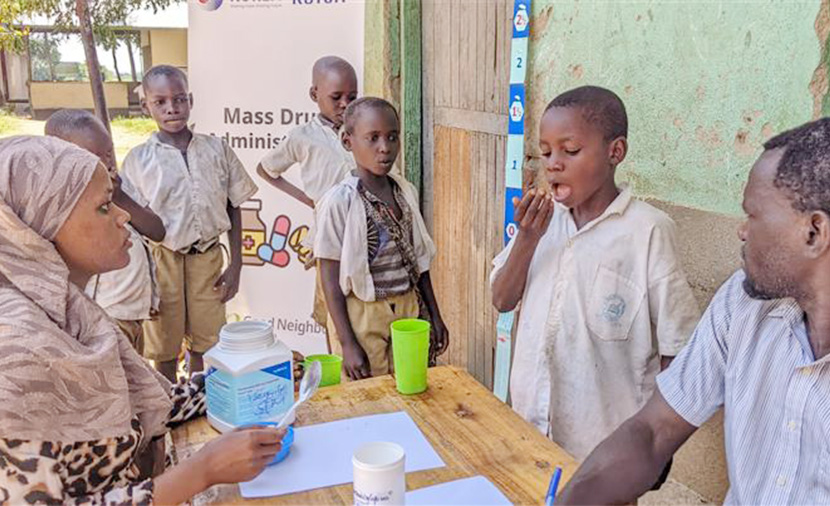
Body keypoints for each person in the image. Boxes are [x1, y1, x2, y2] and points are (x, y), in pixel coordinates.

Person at [557, 117, 830, 504]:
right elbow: (653, 431)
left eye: (753, 214)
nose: (742, 230)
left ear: (814, 232)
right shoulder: (743, 303)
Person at [0, 135, 284, 504]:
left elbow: (151, 407)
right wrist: (201, 471)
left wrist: (247, 377)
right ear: (40, 226)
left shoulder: (72, 316)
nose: (124, 216)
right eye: (104, 207)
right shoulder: (17, 352)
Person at [490, 86, 700, 464]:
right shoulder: (542, 223)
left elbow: (677, 348)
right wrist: (527, 239)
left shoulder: (647, 232)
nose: (554, 163)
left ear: (614, 152)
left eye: (570, 151)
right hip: (530, 429)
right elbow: (502, 299)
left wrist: (657, 448)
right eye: (546, 152)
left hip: (609, 449)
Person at [122, 65, 258, 381]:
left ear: (191, 100)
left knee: (207, 342)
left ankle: (198, 397)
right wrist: (145, 284)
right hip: (162, 262)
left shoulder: (216, 149)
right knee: (164, 346)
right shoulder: (139, 160)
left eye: (179, 99)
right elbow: (131, 225)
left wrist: (236, 264)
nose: (172, 108)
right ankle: (169, 405)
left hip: (208, 259)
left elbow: (234, 206)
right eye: (161, 102)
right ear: (146, 106)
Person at [314, 97, 449, 380]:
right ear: (348, 142)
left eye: (392, 137)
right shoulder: (340, 201)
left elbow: (419, 261)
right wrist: (347, 342)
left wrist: (434, 315)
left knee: (410, 389)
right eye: (372, 138)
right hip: (363, 315)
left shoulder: (405, 192)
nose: (384, 147)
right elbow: (328, 273)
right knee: (368, 399)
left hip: (408, 308)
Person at [45, 108, 163, 354]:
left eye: (109, 153)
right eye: (95, 157)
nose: (108, 163)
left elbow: (157, 230)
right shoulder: (67, 205)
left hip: (134, 311)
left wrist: (118, 195)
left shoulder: (121, 185)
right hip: (105, 315)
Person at [256, 55, 358, 331]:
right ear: (315, 94)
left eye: (352, 96)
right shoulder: (302, 136)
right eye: (336, 96)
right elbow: (266, 169)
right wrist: (306, 198)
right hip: (328, 236)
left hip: (363, 233)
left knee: (359, 308)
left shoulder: (361, 130)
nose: (345, 104)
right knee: (331, 309)